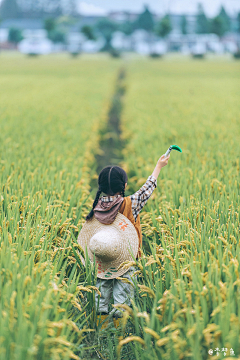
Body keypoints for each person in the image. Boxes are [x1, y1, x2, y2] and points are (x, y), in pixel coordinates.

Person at [78, 154, 170, 326]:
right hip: (125, 258)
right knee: (123, 297)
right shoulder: (130, 203)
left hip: (101, 257)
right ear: (124, 185)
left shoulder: (97, 206)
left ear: (101, 187)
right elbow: (147, 189)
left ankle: (100, 331)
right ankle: (119, 336)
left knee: (101, 293)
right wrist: (158, 166)